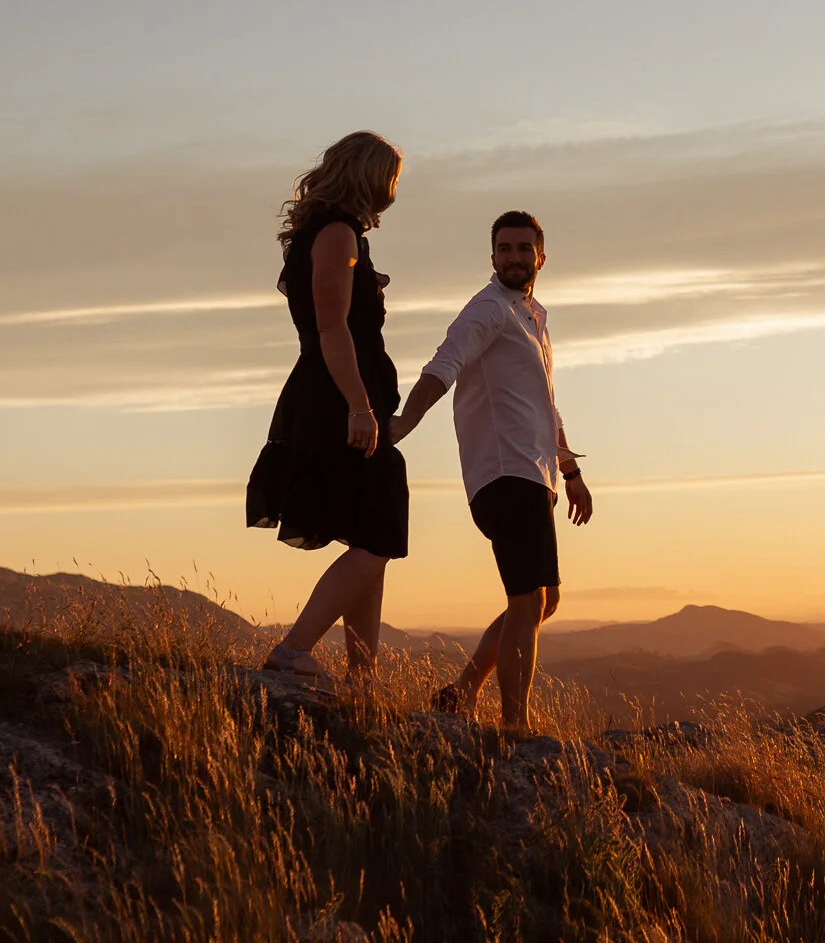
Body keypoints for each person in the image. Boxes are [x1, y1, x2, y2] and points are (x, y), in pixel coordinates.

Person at [395, 210, 592, 731]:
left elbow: (545, 404)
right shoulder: (487, 310)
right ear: (492, 257)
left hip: (536, 475)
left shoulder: (532, 317)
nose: (514, 257)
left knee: (545, 600)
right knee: (526, 599)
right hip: (504, 474)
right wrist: (403, 423)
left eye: (523, 249)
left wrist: (570, 471)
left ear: (540, 257)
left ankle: (463, 690)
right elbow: (444, 364)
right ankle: (514, 727)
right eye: (504, 249)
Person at [245, 131, 410, 687]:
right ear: (370, 177)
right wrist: (360, 407)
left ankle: (364, 679)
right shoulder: (337, 234)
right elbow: (331, 326)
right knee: (381, 531)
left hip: (339, 393)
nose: (392, 190)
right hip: (339, 397)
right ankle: (292, 650)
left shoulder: (335, 233)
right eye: (390, 177)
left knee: (372, 533)